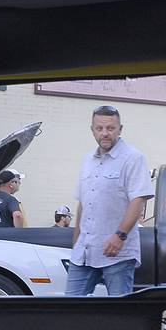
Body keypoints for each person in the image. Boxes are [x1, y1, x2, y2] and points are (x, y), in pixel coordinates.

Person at [66, 105, 155, 296]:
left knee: (120, 313)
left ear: (120, 129)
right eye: (99, 128)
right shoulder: (88, 159)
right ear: (92, 130)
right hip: (84, 251)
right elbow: (83, 201)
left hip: (118, 253)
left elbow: (138, 200)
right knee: (70, 309)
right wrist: (76, 240)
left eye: (110, 128)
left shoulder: (133, 158)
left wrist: (119, 236)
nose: (105, 133)